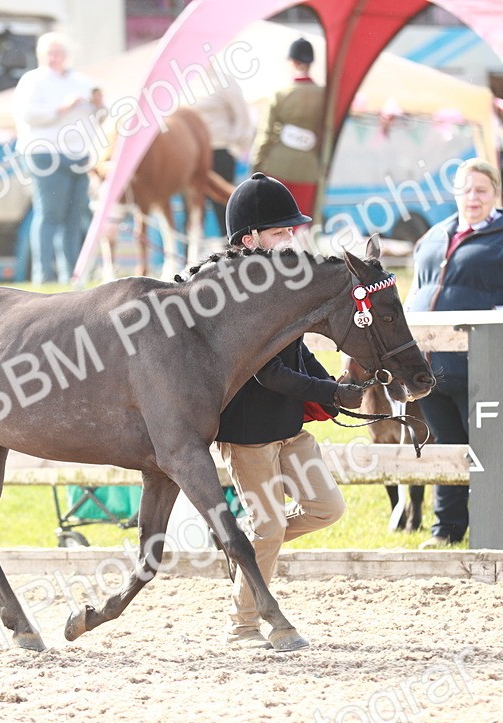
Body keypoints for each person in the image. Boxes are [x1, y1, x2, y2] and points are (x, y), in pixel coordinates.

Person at [216, 173, 366, 649]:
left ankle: (250, 546)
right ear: (249, 239)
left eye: (291, 231)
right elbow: (267, 372)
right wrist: (330, 394)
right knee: (270, 526)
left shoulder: (281, 282)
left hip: (287, 426)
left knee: (327, 508)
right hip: (248, 433)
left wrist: (334, 388)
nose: (291, 239)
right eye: (280, 232)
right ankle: (242, 626)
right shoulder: (235, 294)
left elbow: (297, 355)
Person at [405, 158, 503, 549]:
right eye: (466, 190)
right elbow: (414, 293)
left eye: (481, 190)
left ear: (495, 195)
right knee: (446, 445)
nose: (473, 197)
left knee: (489, 447)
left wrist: (500, 320)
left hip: (484, 366)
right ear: (455, 193)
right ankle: (446, 530)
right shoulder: (433, 237)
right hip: (429, 366)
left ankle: (497, 529)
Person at [12, 32, 103, 285]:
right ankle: (43, 275)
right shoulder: (32, 80)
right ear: (41, 56)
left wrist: (99, 105)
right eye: (49, 54)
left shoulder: (83, 81)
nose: (53, 59)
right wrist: (61, 108)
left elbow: (99, 114)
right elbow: (26, 114)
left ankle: (71, 274)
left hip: (79, 154)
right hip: (44, 153)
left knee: (74, 217)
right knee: (49, 214)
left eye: (58, 53)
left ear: (67, 55)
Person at [250, 37, 324, 221]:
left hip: (277, 167)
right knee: (303, 222)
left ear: (293, 62)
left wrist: (256, 166)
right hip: (309, 169)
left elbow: (265, 135)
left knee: (275, 222)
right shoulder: (324, 96)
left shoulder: (279, 94)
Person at [190, 66, 254, 237]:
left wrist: (234, 146)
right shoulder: (184, 85)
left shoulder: (224, 82)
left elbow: (242, 117)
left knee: (223, 208)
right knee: (192, 209)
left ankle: (231, 251)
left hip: (219, 151)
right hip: (192, 157)